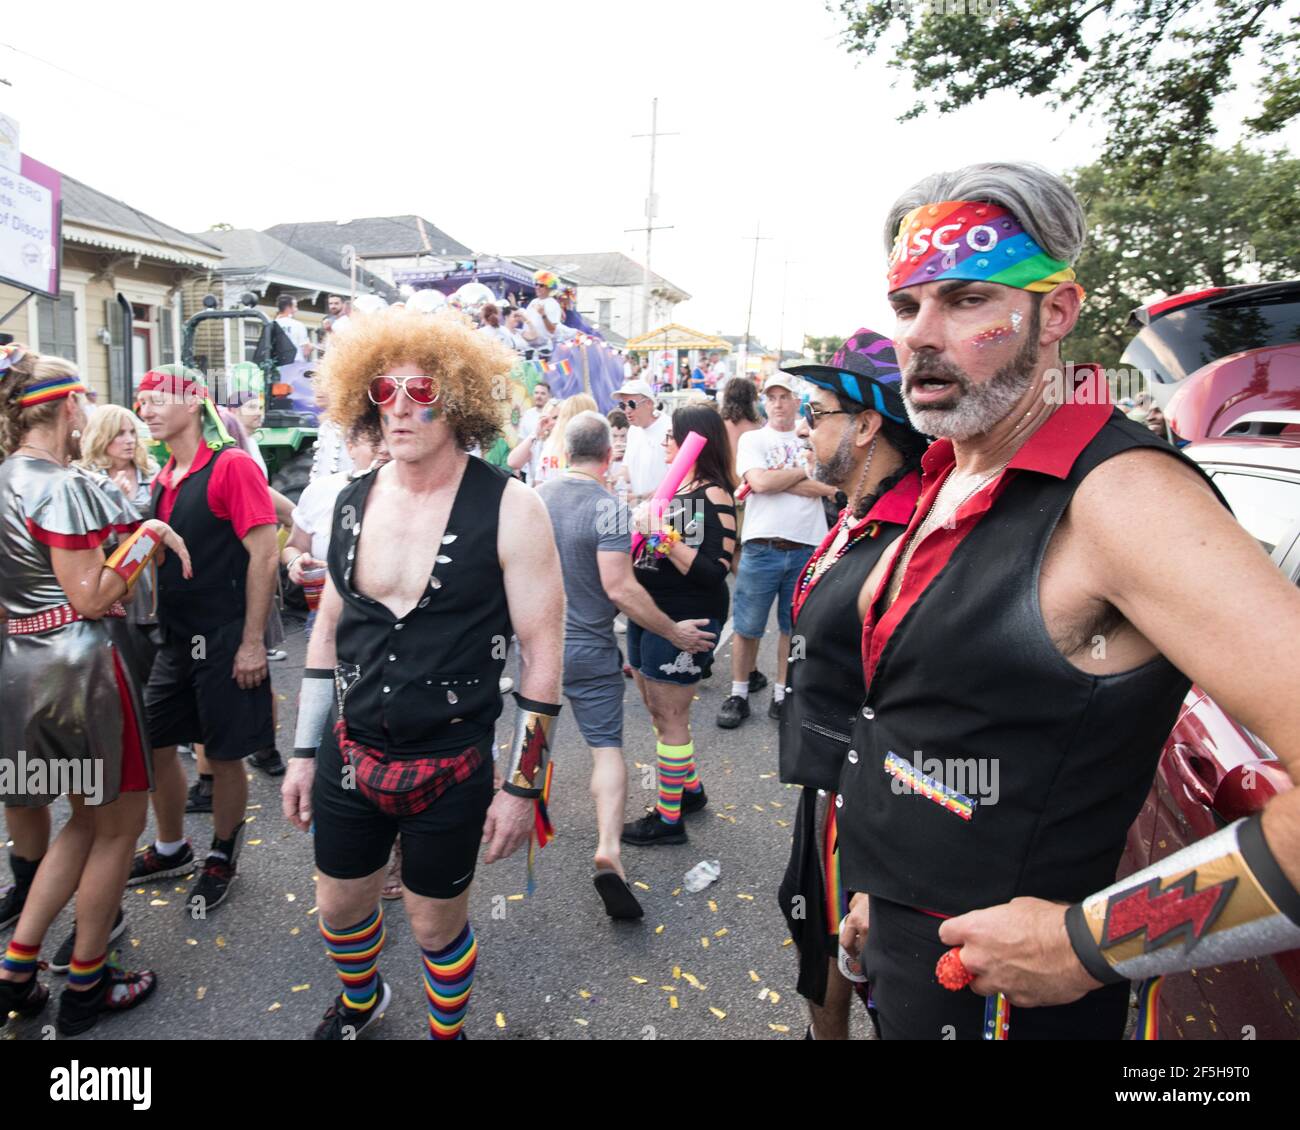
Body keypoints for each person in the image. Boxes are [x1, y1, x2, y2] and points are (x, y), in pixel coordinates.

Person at [835, 161, 1300, 1039]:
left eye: (969, 300)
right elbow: (935, 723)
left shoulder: (1122, 498)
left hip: (1017, 1009)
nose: (922, 336)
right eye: (907, 307)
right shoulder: (950, 469)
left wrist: (1088, 943)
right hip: (911, 958)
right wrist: (883, 891)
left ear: (1057, 313)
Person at [281, 310, 565, 1041]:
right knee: (338, 907)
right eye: (384, 388)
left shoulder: (512, 506)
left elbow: (543, 650)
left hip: (452, 759)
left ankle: (447, 1033)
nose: (401, 406)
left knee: (436, 925)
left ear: (461, 399)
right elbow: (327, 630)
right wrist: (307, 753)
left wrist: (523, 786)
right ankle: (361, 1001)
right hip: (352, 752)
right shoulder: (351, 502)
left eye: (421, 388)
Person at [0, 344, 189, 1034]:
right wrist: (148, 538)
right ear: (70, 404)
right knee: (116, 827)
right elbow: (89, 595)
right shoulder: (62, 484)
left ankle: (16, 972)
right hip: (81, 670)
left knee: (79, 823)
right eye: (83, 403)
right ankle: (87, 987)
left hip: (20, 667)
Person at [772, 329, 927, 1039]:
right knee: (813, 928)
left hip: (871, 798)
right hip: (829, 780)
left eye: (817, 412)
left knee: (868, 956)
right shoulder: (859, 517)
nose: (804, 427)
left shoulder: (913, 533)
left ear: (866, 425)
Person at [538, 411, 714, 916]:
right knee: (605, 750)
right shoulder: (609, 508)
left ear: (564, 451)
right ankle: (609, 851)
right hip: (591, 648)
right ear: (609, 455)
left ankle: (525, 811)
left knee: (537, 732)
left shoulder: (533, 501)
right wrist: (671, 630)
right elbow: (620, 588)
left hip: (540, 647)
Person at [128, 365, 280, 914]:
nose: (144, 409)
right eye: (140, 402)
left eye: (155, 399)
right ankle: (171, 847)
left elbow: (265, 553)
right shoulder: (163, 477)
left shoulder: (230, 466)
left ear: (193, 402)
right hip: (176, 636)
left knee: (223, 752)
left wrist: (251, 642)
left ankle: (222, 855)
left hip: (224, 634)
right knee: (152, 741)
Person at [621, 405, 737, 848]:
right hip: (649, 611)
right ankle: (688, 790)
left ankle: (668, 819)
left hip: (687, 617)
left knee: (671, 717)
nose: (666, 442)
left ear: (695, 440)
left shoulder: (714, 495)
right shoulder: (675, 488)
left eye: (674, 435)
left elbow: (714, 570)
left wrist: (661, 536)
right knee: (656, 709)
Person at [718, 374, 837, 729]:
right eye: (772, 397)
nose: (779, 403)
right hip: (761, 544)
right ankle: (739, 692)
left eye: (785, 396)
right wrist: (800, 474)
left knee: (792, 626)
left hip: (806, 543)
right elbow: (757, 482)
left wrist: (777, 480)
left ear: (795, 400)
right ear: (763, 402)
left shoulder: (814, 437)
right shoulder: (754, 439)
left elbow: (829, 487)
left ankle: (783, 693)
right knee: (747, 625)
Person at [615, 379, 671, 502]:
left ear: (649, 403)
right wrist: (609, 480)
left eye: (632, 404)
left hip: (666, 509)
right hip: (641, 510)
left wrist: (637, 497)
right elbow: (627, 468)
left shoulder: (670, 429)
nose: (627, 410)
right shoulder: (633, 431)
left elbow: (675, 480)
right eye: (623, 405)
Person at [275, 296, 314, 363]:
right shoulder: (298, 325)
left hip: (277, 364)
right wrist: (311, 347)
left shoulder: (271, 325)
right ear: (288, 308)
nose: (297, 309)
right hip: (295, 363)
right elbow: (306, 351)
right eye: (295, 306)